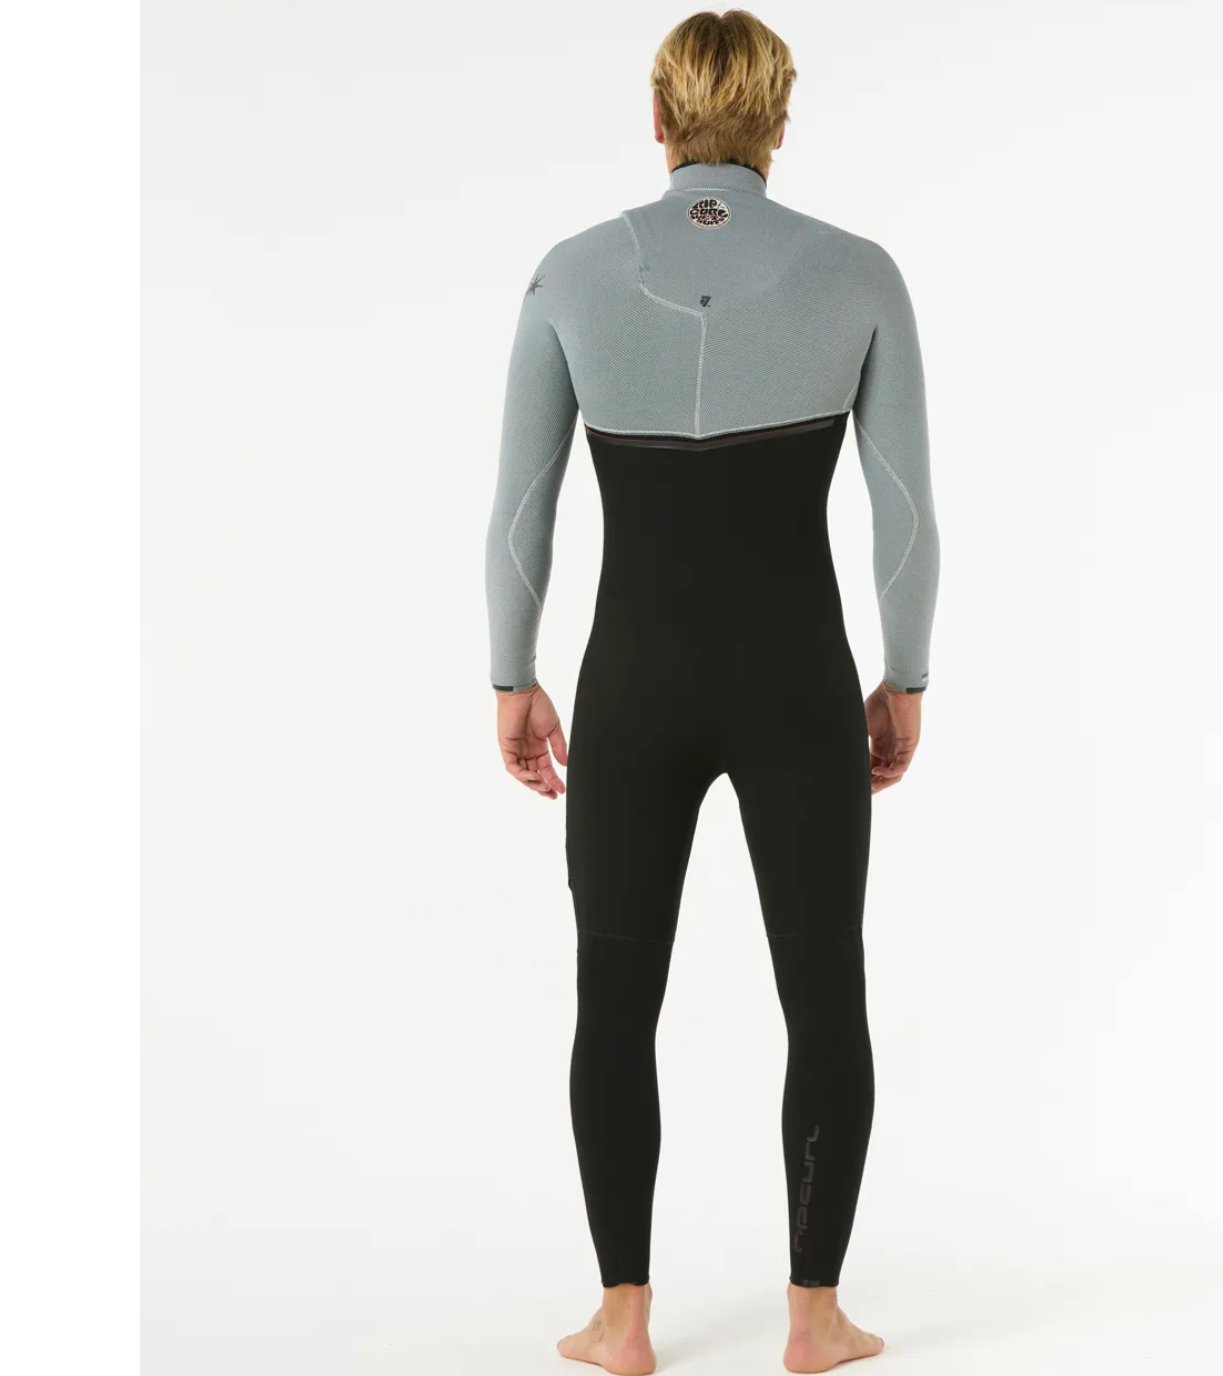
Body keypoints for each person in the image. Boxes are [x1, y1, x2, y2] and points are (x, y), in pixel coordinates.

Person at [485, 11, 939, 1373]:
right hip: (799, 683)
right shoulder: (858, 276)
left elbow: (520, 516)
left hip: (632, 685)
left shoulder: (570, 276)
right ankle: (815, 1318)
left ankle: (623, 1319)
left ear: (659, 119)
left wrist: (513, 675)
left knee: (614, 997)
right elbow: (907, 519)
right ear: (780, 124)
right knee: (826, 990)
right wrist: (903, 677)